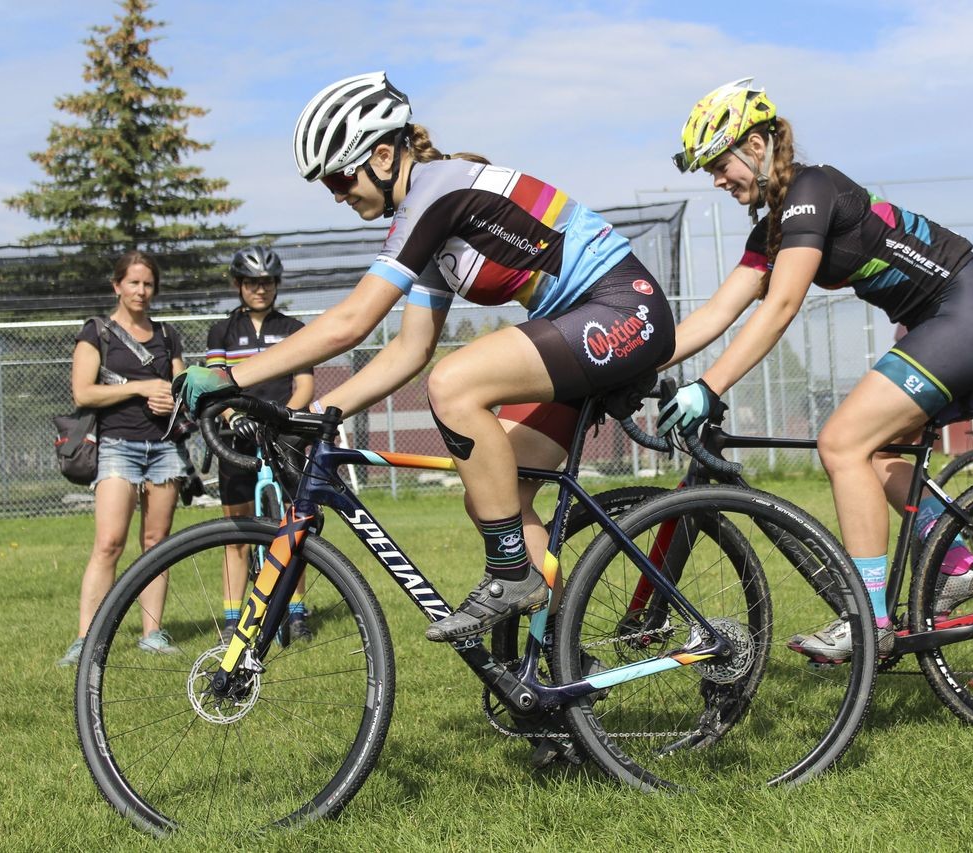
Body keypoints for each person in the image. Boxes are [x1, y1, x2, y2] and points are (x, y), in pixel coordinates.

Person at [174, 71, 674, 642]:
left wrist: (230, 376)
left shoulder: (437, 190)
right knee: (498, 498)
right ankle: (559, 668)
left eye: (339, 177)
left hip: (621, 308)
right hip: (581, 323)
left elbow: (353, 320)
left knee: (455, 384)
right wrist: (315, 414)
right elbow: (408, 349)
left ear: (383, 155)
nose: (337, 194)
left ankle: (511, 576)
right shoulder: (434, 219)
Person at [658, 78, 973, 661]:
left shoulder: (811, 189)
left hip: (965, 309)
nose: (717, 181)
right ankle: (958, 567)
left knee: (842, 442)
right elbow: (719, 313)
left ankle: (867, 618)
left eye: (719, 165)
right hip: (936, 321)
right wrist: (629, 367)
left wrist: (709, 385)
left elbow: (780, 306)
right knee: (873, 456)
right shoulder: (772, 227)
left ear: (755, 145)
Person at [58, 251, 186, 666]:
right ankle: (85, 638)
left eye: (148, 284)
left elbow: (181, 389)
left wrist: (173, 400)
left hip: (164, 449)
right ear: (117, 286)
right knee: (109, 543)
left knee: (156, 544)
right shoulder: (98, 332)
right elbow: (84, 392)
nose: (141, 291)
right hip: (116, 446)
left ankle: (153, 633)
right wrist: (141, 387)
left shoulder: (168, 335)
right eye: (133, 283)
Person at [206, 246, 315, 644]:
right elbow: (217, 380)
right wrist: (232, 417)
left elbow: (304, 385)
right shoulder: (222, 331)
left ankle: (297, 612)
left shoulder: (293, 328)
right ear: (239, 285)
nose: (260, 289)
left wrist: (281, 419)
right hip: (235, 437)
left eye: (267, 282)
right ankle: (234, 619)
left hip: (282, 435)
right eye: (252, 282)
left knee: (291, 528)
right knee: (235, 532)